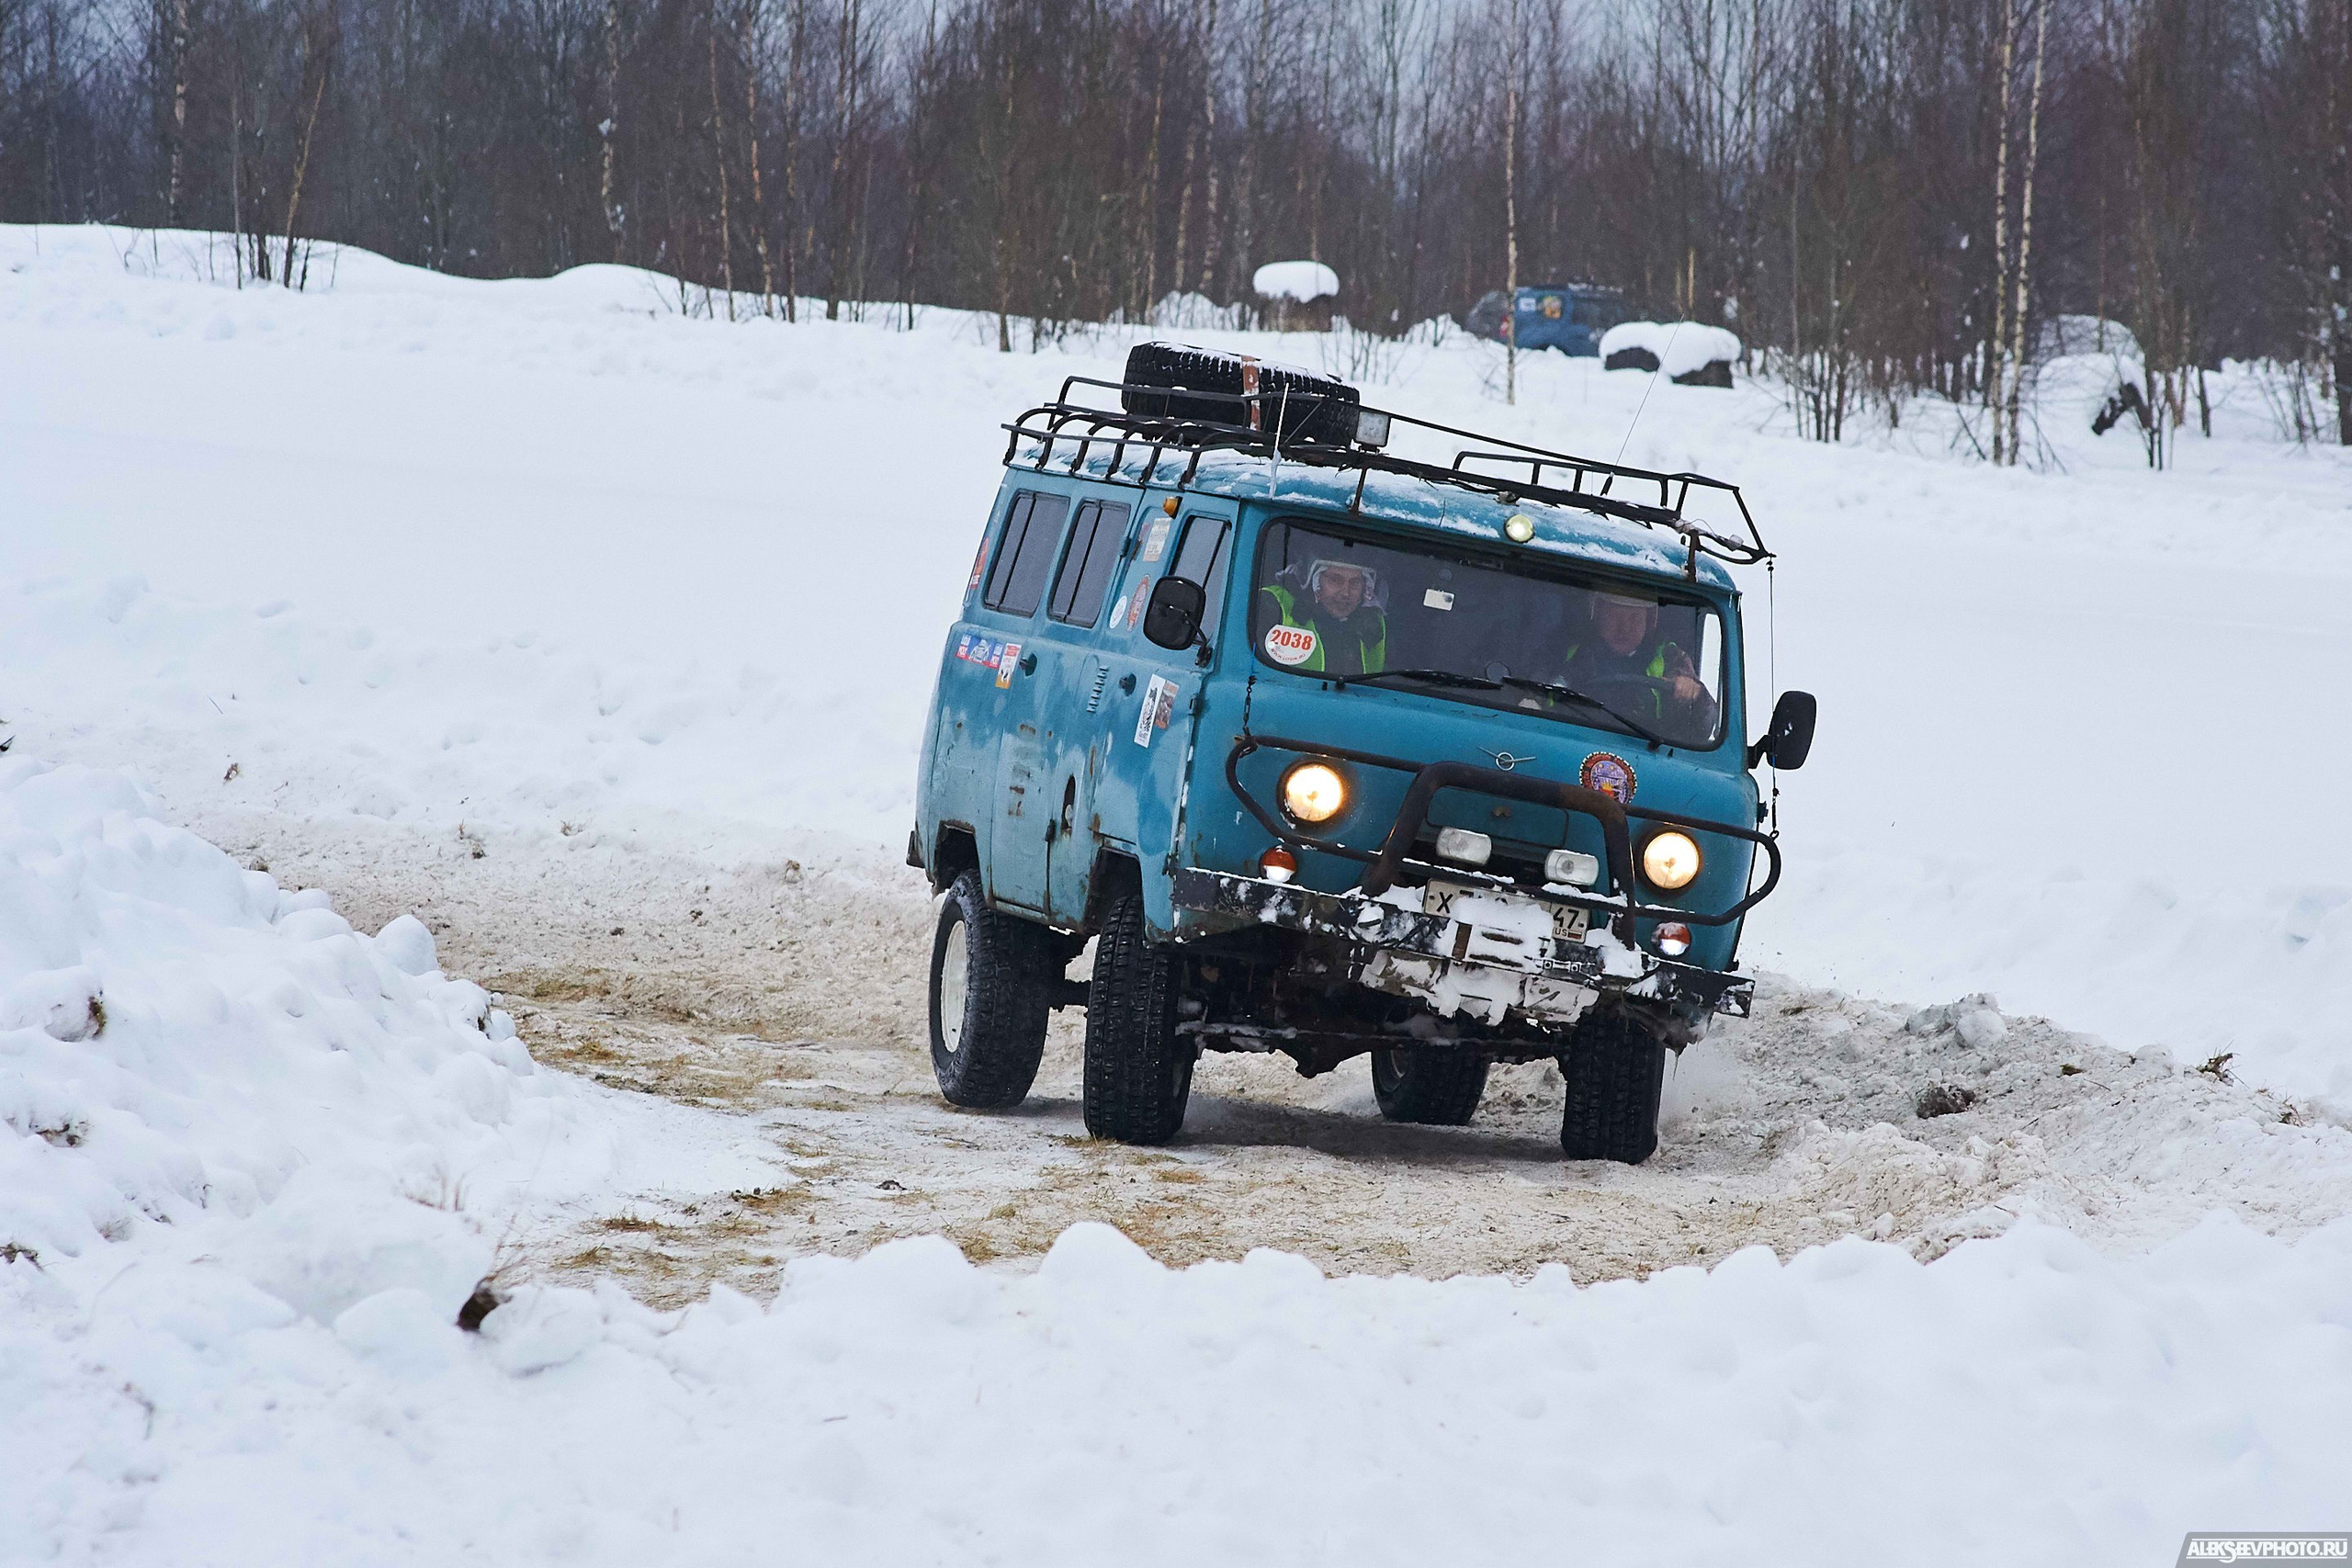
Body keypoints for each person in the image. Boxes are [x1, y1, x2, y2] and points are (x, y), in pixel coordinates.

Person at [1556, 590, 1715, 733]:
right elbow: (1540, 698)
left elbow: (1702, 725)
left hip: (1648, 749)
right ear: (1597, 615)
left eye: (1635, 618)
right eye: (1614, 617)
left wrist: (1695, 694)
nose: (1624, 628)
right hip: (1580, 737)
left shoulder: (1670, 657)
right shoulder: (1570, 654)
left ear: (1649, 621)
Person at [1257, 558, 1387, 677]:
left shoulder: (1376, 623)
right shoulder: (1272, 605)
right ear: (1313, 579)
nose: (1346, 593)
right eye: (1335, 580)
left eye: (1355, 583)